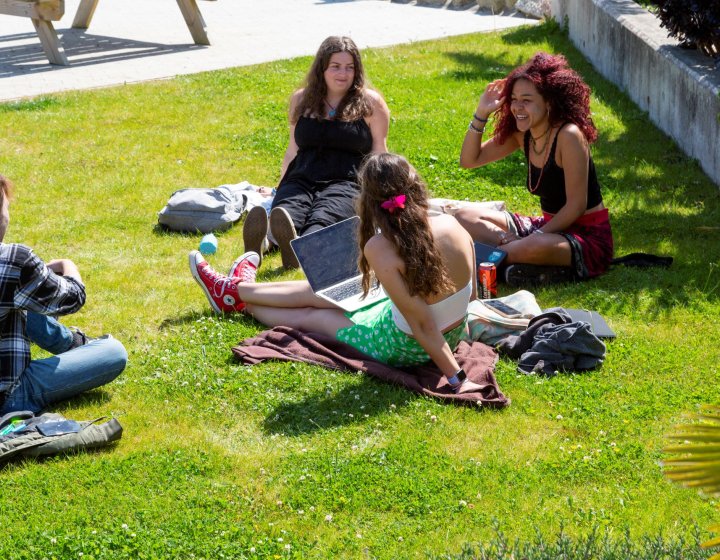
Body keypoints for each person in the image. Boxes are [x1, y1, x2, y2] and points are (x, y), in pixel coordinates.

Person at [191, 153, 484, 394]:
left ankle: (238, 300)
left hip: (406, 346)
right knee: (326, 293)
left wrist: (458, 378)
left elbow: (422, 325)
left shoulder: (382, 247)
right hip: (452, 330)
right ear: (416, 187)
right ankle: (236, 288)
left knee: (313, 317)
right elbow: (469, 295)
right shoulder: (451, 224)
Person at [457, 52, 613, 285]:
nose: (517, 107)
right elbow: (469, 160)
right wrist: (482, 113)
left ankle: (491, 258)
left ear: (548, 103)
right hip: (546, 228)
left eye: (527, 100)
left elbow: (576, 206)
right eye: (514, 99)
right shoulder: (523, 135)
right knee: (463, 217)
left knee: (533, 246)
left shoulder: (569, 136)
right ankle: (511, 259)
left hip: (586, 237)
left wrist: (537, 235)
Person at [243, 35, 390, 269]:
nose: (343, 74)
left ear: (357, 71)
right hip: (302, 176)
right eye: (335, 67)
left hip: (347, 181)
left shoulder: (370, 104)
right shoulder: (301, 99)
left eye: (349, 68)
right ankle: (268, 241)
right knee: (287, 211)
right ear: (322, 68)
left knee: (324, 220)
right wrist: (279, 189)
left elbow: (378, 153)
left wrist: (380, 197)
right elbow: (293, 149)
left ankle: (291, 246)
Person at [0, 176, 127, 415]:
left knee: (23, 300)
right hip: (9, 397)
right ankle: (75, 344)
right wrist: (66, 264)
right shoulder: (14, 261)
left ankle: (72, 343)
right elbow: (74, 297)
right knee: (113, 352)